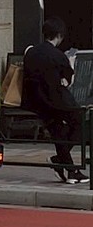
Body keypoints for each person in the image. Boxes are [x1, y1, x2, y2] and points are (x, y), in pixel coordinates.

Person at [22, 17, 87, 183]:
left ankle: (70, 171)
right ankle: (60, 159)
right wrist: (70, 63)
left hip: (36, 102)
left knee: (58, 131)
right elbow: (68, 81)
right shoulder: (58, 56)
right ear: (59, 35)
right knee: (80, 122)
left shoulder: (30, 52)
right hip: (56, 100)